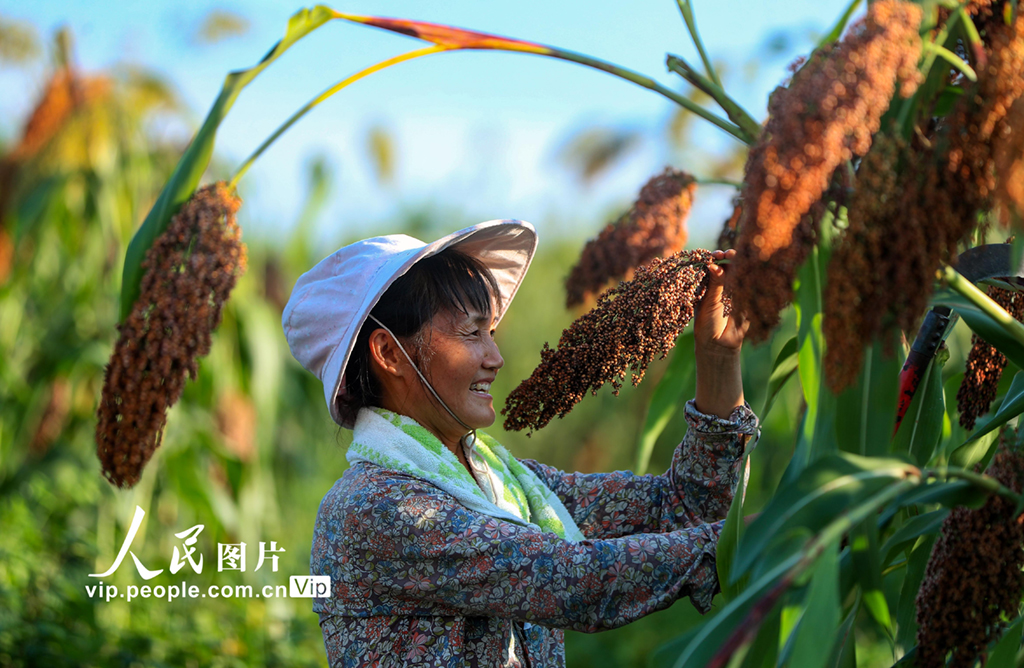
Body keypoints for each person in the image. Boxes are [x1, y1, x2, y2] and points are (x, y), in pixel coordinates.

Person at [282, 220, 759, 667]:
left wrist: (718, 355)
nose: (495, 357)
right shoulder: (373, 509)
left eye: (491, 332)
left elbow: (683, 505)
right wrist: (765, 530)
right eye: (472, 333)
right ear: (389, 353)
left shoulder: (512, 487)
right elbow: (578, 582)